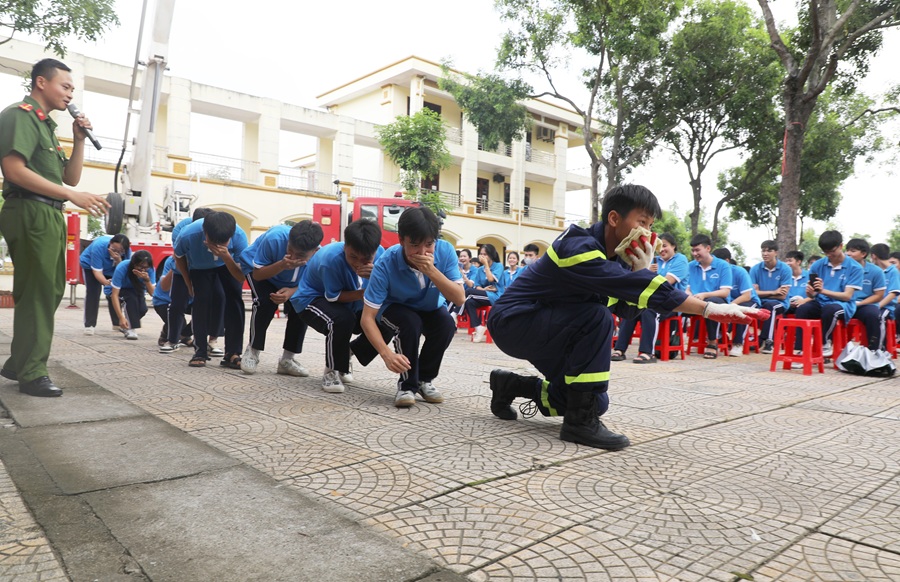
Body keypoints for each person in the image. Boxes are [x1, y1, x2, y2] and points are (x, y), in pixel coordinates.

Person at [486, 185, 762, 450]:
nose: (647, 234)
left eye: (651, 226)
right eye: (642, 222)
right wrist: (708, 309)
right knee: (596, 317)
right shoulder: (576, 245)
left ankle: (512, 385)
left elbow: (628, 310)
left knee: (595, 400)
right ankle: (579, 425)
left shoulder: (615, 261)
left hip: (553, 329)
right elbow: (636, 295)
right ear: (614, 218)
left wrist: (637, 272)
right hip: (514, 322)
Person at [0, 58, 110, 397]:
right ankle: (33, 373)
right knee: (36, 292)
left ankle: (20, 363)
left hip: (49, 213)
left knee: (50, 290)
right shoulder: (19, 115)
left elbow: (69, 176)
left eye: (72, 88)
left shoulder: (47, 125)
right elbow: (14, 170)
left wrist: (78, 140)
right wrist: (71, 195)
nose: (70, 93)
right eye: (65, 86)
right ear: (41, 83)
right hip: (30, 209)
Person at [360, 206, 465, 407]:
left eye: (429, 244)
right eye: (414, 245)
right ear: (401, 240)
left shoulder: (445, 251)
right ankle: (407, 385)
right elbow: (367, 318)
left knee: (446, 324)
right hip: (395, 308)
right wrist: (386, 354)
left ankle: (424, 379)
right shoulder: (386, 263)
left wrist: (432, 271)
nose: (423, 252)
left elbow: (459, 298)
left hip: (429, 307)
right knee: (410, 323)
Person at [292, 220, 393, 393]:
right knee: (341, 320)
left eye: (366, 258)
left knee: (388, 322)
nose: (358, 263)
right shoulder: (330, 259)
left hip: (351, 302)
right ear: (345, 246)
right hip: (311, 300)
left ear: (376, 251)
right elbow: (333, 297)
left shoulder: (381, 257)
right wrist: (364, 293)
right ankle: (331, 370)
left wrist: (376, 274)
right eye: (353, 256)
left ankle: (346, 355)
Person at [239, 220, 323, 377]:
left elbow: (314, 284)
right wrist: (281, 265)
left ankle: (287, 360)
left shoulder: (321, 255)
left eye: (300, 255)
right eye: (290, 250)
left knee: (302, 305)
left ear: (315, 251)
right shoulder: (274, 238)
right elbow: (258, 274)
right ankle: (253, 351)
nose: (292, 256)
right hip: (262, 272)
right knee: (264, 302)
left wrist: (292, 292)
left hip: (293, 284)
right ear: (288, 240)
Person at [174, 211, 248, 368]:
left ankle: (232, 353)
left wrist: (227, 256)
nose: (217, 246)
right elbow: (178, 256)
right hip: (199, 269)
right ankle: (200, 351)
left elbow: (241, 276)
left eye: (223, 242)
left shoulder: (239, 235)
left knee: (234, 302)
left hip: (227, 266)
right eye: (213, 241)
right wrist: (188, 283)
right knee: (201, 302)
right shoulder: (189, 234)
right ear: (204, 232)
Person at [611, 232, 688, 363]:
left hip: (671, 303)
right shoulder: (652, 259)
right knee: (631, 307)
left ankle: (647, 352)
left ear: (674, 246)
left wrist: (648, 274)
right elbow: (638, 280)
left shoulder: (680, 260)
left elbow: (665, 283)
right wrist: (646, 269)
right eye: (659, 247)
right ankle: (619, 349)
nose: (662, 250)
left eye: (665, 246)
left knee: (649, 310)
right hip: (650, 300)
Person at [160, 207, 222, 355]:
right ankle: (172, 340)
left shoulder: (218, 227)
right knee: (177, 304)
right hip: (185, 267)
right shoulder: (182, 232)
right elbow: (180, 257)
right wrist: (189, 283)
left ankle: (212, 340)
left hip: (209, 267)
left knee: (218, 300)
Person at [794, 231, 864, 357]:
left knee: (830, 310)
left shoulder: (855, 268)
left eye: (832, 251)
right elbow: (813, 295)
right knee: (803, 309)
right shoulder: (817, 265)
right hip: (820, 301)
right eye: (825, 252)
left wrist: (822, 291)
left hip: (843, 305)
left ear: (841, 246)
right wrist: (811, 294)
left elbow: (847, 296)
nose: (829, 255)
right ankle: (802, 349)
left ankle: (825, 343)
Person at [685, 234, 733, 359]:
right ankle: (670, 340)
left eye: (697, 250)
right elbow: (687, 288)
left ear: (708, 249)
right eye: (693, 250)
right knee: (673, 300)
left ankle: (712, 343)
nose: (695, 253)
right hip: (695, 302)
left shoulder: (723, 265)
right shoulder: (691, 266)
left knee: (711, 303)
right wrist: (689, 295)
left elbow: (725, 292)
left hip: (716, 302)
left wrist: (704, 295)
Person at [79, 233, 131, 334]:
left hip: (113, 267)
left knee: (115, 292)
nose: (117, 252)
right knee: (93, 292)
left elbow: (124, 269)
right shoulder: (99, 247)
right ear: (110, 243)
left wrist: (118, 260)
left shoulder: (127, 251)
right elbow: (97, 272)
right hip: (91, 266)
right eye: (114, 249)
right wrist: (106, 282)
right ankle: (89, 325)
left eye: (120, 251)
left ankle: (117, 323)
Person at [712, 248, 760, 357]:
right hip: (730, 301)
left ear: (727, 261)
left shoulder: (739, 272)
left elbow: (747, 295)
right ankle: (718, 337)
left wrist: (731, 305)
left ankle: (738, 343)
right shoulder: (716, 272)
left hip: (748, 300)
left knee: (739, 310)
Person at [749, 240, 792, 353]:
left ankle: (768, 341)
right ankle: (744, 340)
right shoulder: (755, 269)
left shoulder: (785, 269)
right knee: (747, 305)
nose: (765, 254)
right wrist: (774, 292)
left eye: (769, 251)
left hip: (780, 304)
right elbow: (753, 293)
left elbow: (783, 296)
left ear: (776, 253)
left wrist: (762, 293)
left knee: (770, 306)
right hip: (760, 301)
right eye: (763, 251)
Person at [845, 238, 885, 350]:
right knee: (829, 311)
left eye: (852, 251)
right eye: (847, 250)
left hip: (865, 305)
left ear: (863, 254)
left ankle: (874, 350)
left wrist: (860, 303)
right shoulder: (842, 269)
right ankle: (827, 348)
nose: (848, 253)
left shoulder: (876, 271)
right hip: (845, 303)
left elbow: (879, 295)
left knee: (873, 314)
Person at [109, 250, 156, 340]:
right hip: (121, 289)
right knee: (131, 299)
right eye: (140, 266)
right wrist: (121, 317)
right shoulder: (122, 267)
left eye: (145, 267)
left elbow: (153, 293)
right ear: (133, 264)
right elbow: (114, 295)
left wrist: (147, 280)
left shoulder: (150, 270)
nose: (142, 269)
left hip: (137, 289)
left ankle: (128, 323)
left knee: (143, 309)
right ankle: (130, 329)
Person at [465, 243, 506, 343]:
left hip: (497, 296)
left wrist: (486, 264)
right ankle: (478, 327)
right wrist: (484, 290)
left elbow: (491, 278)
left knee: (468, 292)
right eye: (481, 254)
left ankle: (454, 313)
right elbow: (477, 286)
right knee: (469, 302)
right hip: (485, 295)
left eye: (485, 254)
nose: (483, 256)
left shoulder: (498, 266)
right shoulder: (479, 270)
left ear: (491, 255)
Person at [152, 255, 193, 349]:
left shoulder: (199, 259)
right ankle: (167, 335)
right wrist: (176, 266)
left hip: (189, 300)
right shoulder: (171, 260)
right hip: (164, 301)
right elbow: (164, 287)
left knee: (206, 311)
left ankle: (183, 335)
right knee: (177, 319)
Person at [871, 243, 899, 349]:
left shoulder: (893, 271)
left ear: (874, 256)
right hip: (874, 304)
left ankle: (881, 348)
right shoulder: (876, 270)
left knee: (880, 316)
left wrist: (878, 305)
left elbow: (893, 293)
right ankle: (869, 346)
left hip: (888, 307)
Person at [784, 250, 810, 314]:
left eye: (790, 261)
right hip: (788, 304)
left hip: (805, 304)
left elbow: (815, 295)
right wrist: (788, 302)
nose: (787, 263)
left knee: (804, 309)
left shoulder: (809, 276)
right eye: (786, 261)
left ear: (798, 262)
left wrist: (803, 301)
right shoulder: (784, 277)